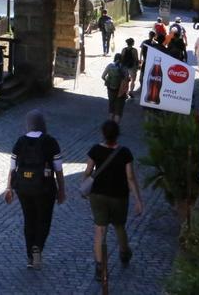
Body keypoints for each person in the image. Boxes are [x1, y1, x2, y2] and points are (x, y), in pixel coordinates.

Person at [5, 110, 66, 269]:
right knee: (43, 219)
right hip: (45, 188)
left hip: (23, 188)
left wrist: (8, 188)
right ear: (42, 123)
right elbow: (58, 169)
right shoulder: (50, 142)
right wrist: (61, 190)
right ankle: (37, 247)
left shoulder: (20, 141)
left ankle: (30, 257)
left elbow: (12, 168)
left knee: (29, 219)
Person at [85, 121, 144, 282]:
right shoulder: (125, 153)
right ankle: (124, 253)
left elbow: (88, 171)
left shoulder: (95, 150)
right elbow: (130, 177)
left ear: (103, 133)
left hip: (98, 195)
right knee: (119, 226)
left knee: (99, 230)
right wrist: (138, 199)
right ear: (118, 134)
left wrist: (85, 187)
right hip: (119, 196)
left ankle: (99, 267)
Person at [101, 56, 130, 123]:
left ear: (115, 59)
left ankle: (110, 126)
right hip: (120, 91)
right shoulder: (125, 68)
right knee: (118, 110)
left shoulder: (110, 66)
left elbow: (102, 76)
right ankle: (115, 127)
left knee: (111, 107)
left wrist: (108, 81)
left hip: (111, 89)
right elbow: (126, 81)